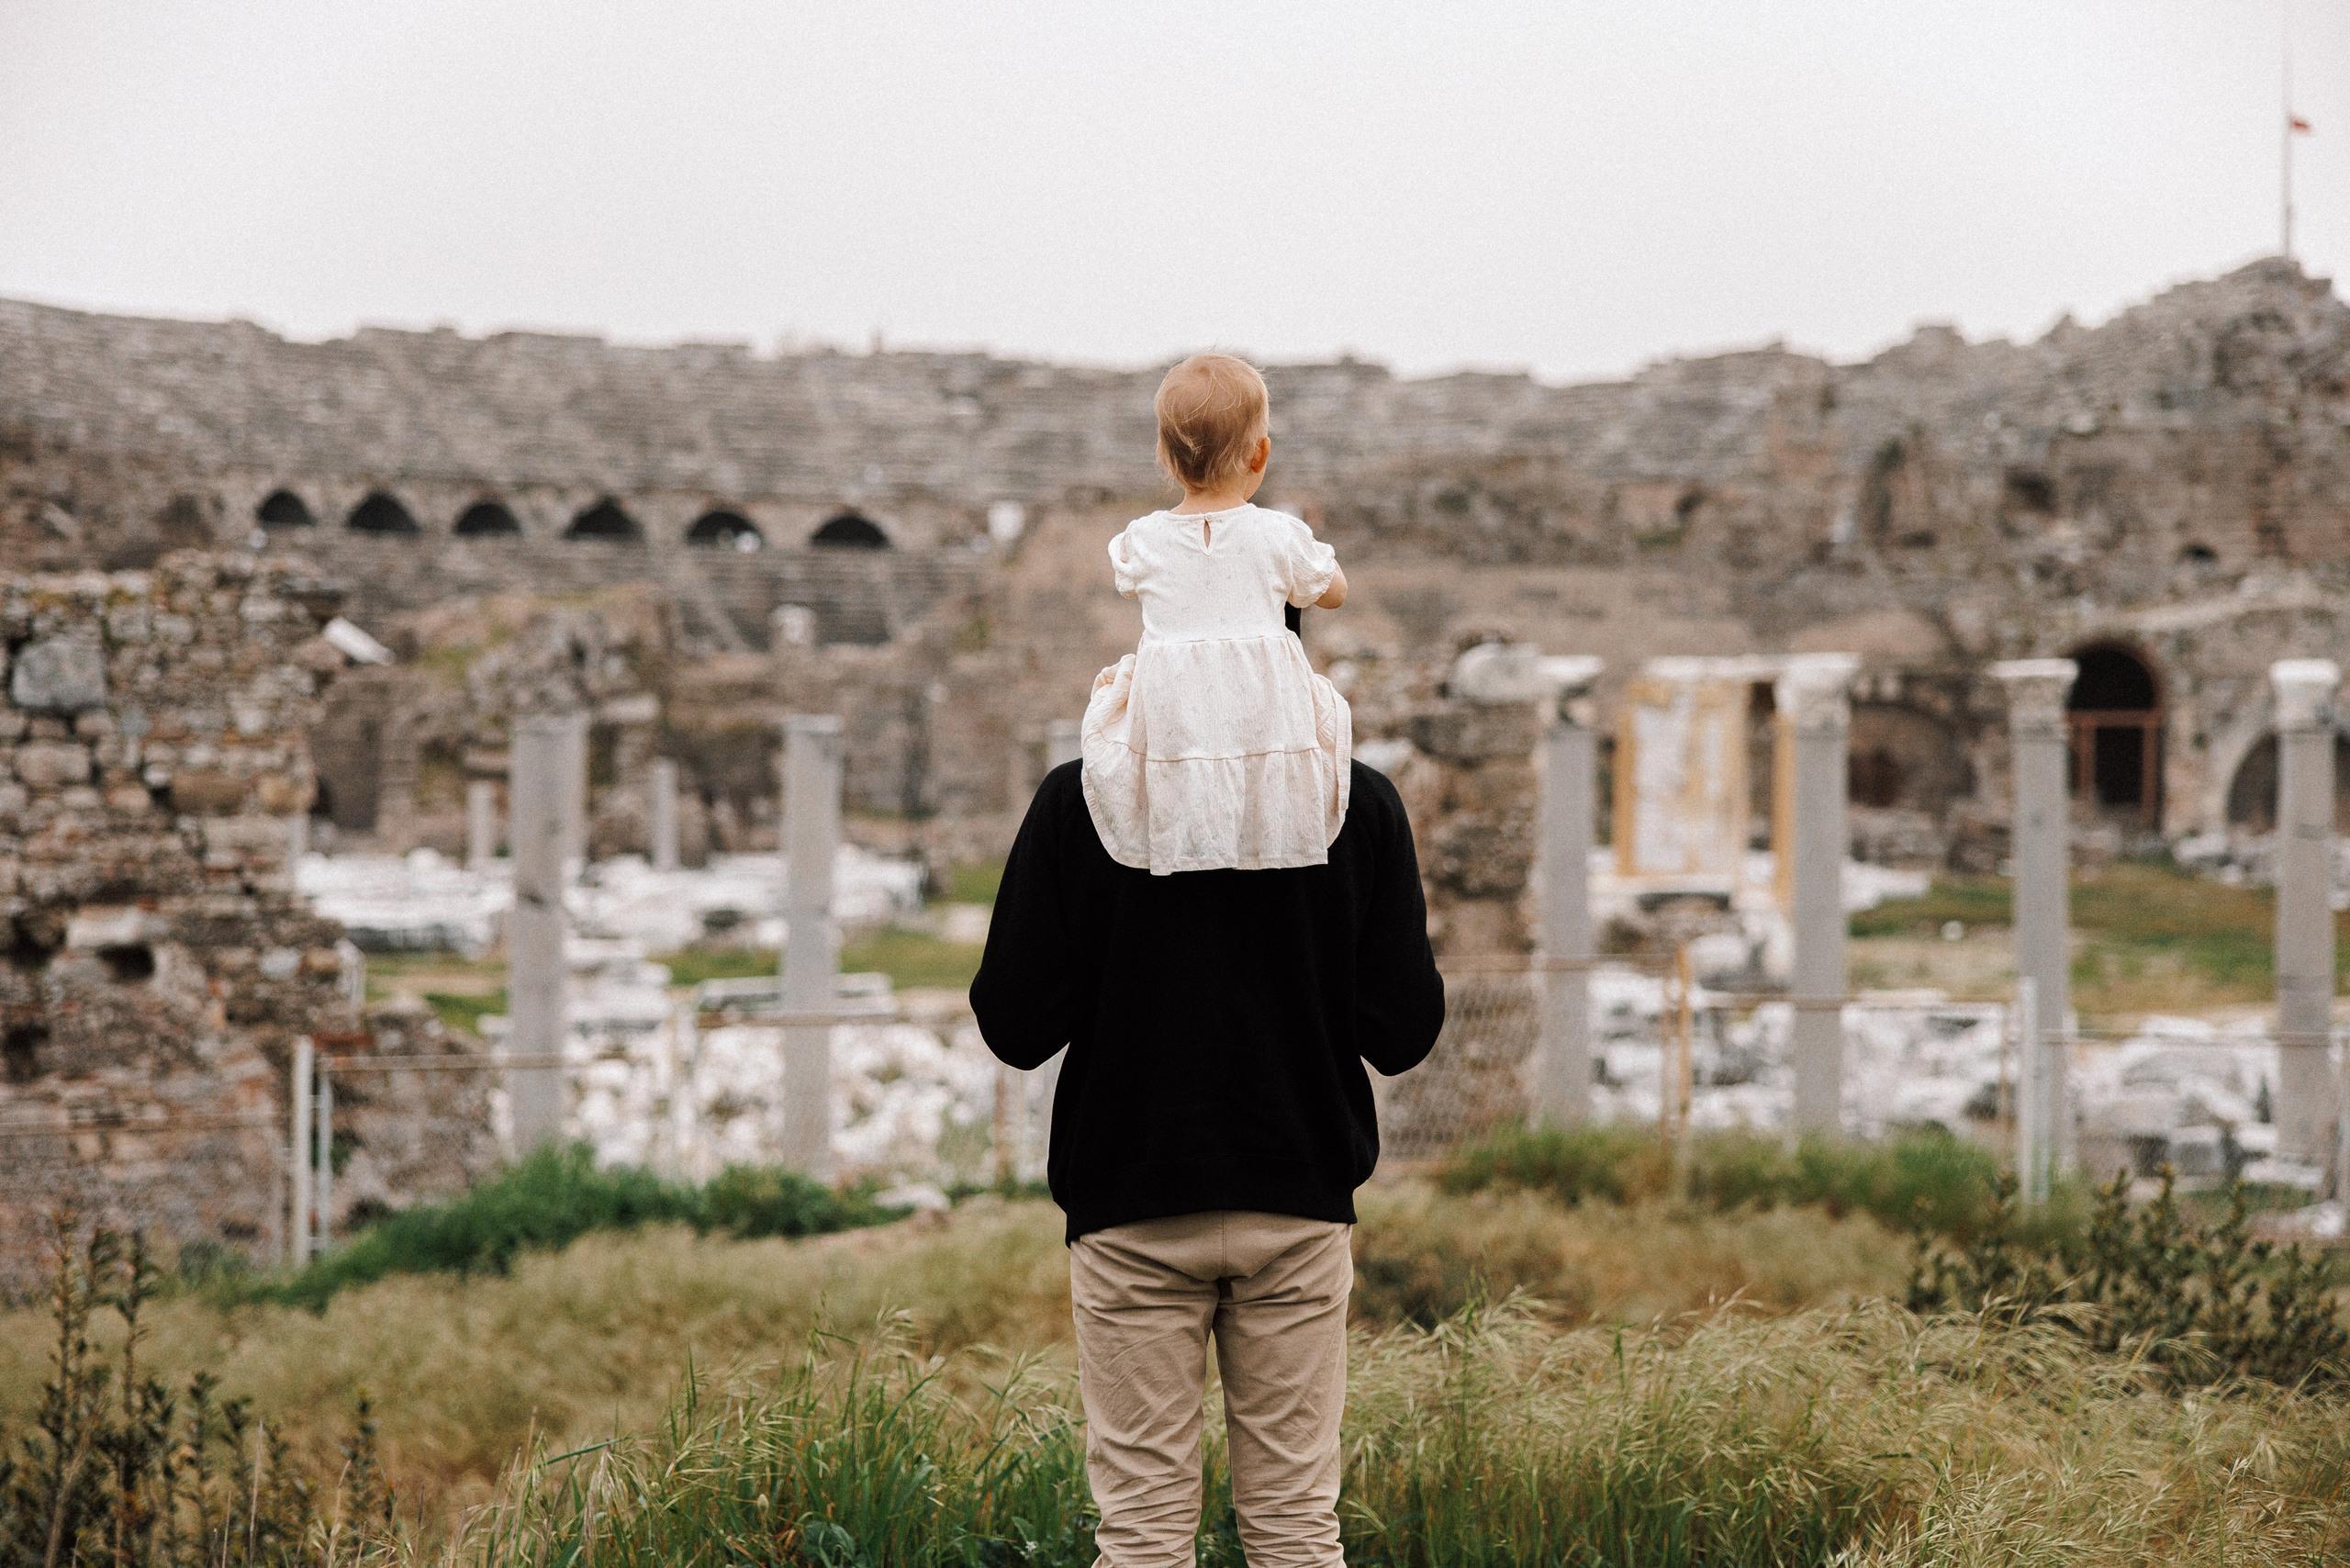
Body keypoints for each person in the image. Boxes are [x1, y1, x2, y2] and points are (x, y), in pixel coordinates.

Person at [970, 745, 1446, 1558]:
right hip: (1296, 1197)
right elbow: (1402, 1032)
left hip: (1130, 1201)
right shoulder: (1352, 796)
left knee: (1143, 1532)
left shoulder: (1082, 797)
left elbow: (1016, 1026)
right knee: (1296, 1524)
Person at [1080, 353, 1353, 875]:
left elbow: (1129, 582)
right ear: (1261, 455)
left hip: (1178, 722)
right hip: (1264, 714)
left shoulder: (1143, 540)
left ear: (1165, 457)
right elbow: (1335, 592)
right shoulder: (1278, 534)